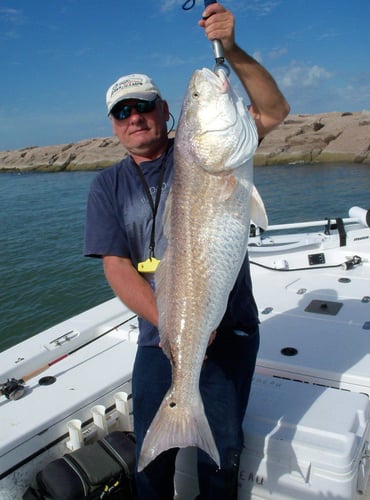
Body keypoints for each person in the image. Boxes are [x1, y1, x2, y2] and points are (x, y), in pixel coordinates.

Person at [84, 3, 289, 499]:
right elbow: (116, 267)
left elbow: (273, 110)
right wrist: (177, 321)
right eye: (122, 111)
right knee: (150, 472)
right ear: (114, 125)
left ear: (166, 111)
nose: (135, 117)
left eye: (145, 105)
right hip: (162, 342)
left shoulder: (204, 152)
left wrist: (232, 50)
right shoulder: (107, 186)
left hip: (232, 328)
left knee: (222, 460)